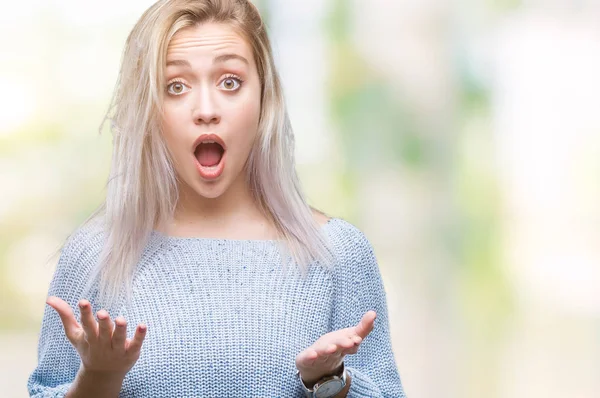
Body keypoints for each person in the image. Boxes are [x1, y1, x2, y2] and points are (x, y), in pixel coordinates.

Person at [27, 0, 406, 397]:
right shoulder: (94, 256)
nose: (206, 110)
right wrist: (99, 377)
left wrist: (330, 383)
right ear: (148, 107)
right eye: (176, 86)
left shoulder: (338, 253)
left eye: (230, 82)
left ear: (264, 98)